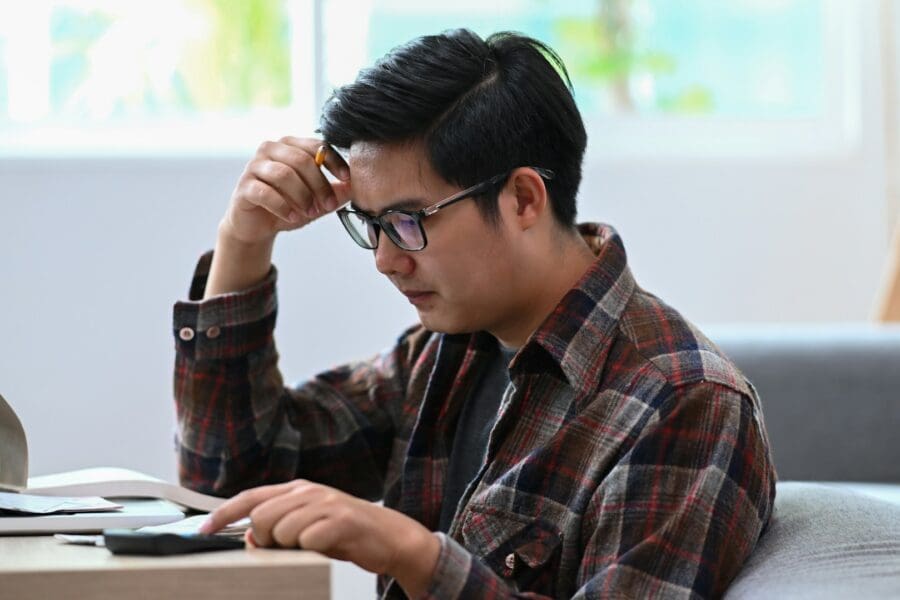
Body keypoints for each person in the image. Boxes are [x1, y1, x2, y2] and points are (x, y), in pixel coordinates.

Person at [175, 29, 776, 599]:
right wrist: (244, 242)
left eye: (409, 223)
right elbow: (232, 479)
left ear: (522, 198)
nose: (385, 260)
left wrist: (416, 557)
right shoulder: (449, 350)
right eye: (371, 225)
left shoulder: (686, 404)